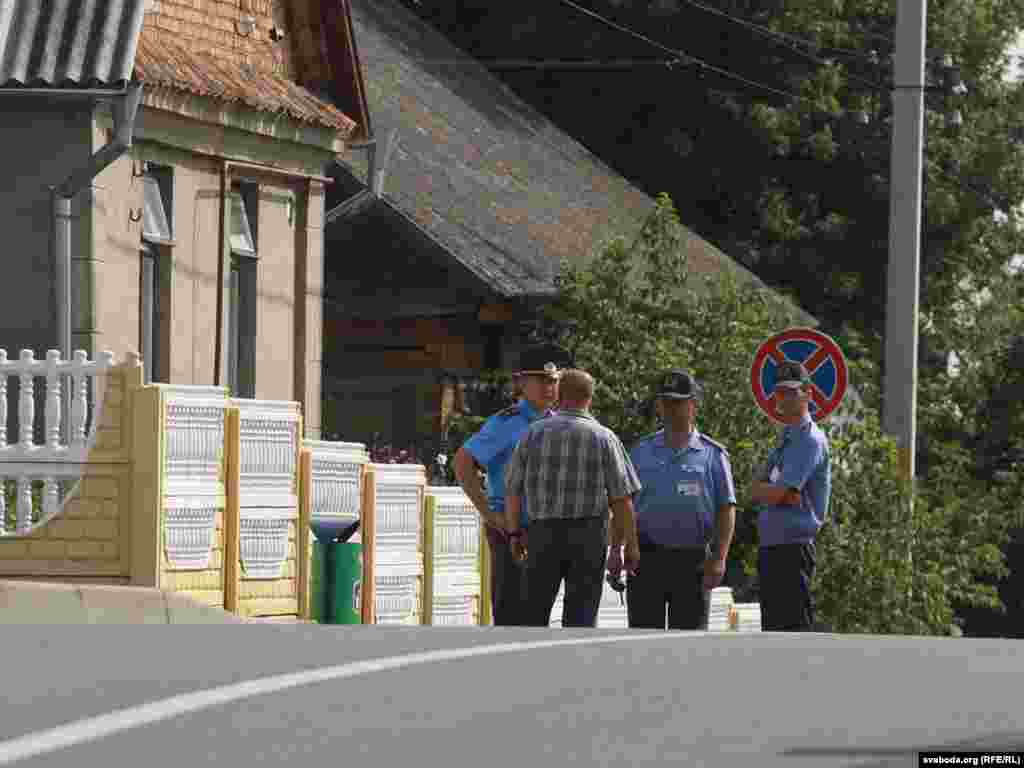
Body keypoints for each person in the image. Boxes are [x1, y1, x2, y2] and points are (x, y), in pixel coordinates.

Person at [504, 369, 642, 628]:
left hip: (542, 534)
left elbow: (512, 490)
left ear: (559, 394)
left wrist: (513, 533)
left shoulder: (533, 433)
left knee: (533, 613)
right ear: (590, 397)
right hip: (588, 537)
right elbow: (622, 499)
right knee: (581, 615)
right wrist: (628, 546)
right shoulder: (604, 437)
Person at [452, 344, 570, 625]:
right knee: (510, 615)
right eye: (541, 380)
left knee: (539, 618)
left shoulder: (559, 423)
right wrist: (489, 514)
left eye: (553, 381)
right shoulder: (506, 423)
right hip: (511, 529)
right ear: (521, 383)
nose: (549, 387)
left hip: (547, 531)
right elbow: (462, 463)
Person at [616, 369, 736, 630]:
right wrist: (617, 549)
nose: (670, 409)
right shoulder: (640, 451)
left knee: (689, 644)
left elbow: (726, 509)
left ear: (693, 406)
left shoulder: (713, 454)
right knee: (642, 641)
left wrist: (720, 558)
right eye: (665, 402)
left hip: (692, 562)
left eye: (678, 403)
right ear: (658, 406)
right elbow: (624, 504)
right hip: (647, 560)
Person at [750, 360, 831, 632]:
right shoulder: (788, 437)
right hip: (773, 546)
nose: (783, 398)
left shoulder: (809, 440)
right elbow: (758, 489)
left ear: (808, 394)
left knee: (793, 634)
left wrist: (775, 493)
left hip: (792, 549)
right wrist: (774, 493)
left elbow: (783, 493)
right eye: (780, 392)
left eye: (791, 392)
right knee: (773, 634)